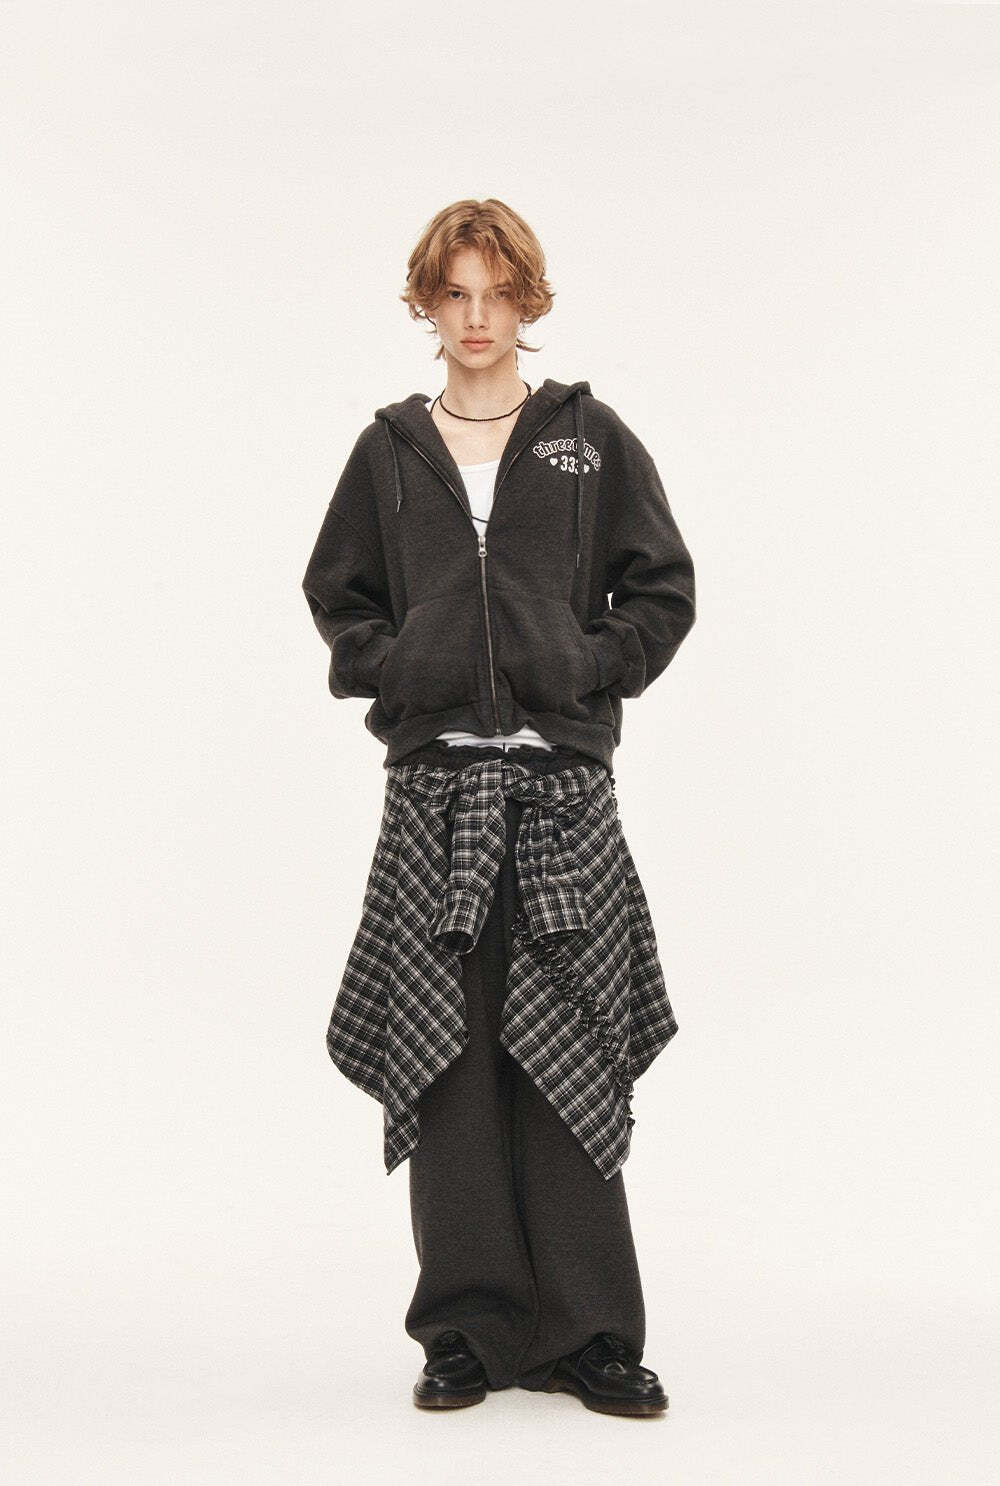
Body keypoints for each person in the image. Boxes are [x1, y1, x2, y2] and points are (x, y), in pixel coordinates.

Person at [301, 198, 696, 1416]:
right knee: (449, 1061)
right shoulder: (387, 452)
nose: (477, 317)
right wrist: (399, 670)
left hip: (560, 788)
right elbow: (339, 596)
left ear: (528, 300)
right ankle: (464, 1331)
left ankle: (591, 1334)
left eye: (497, 293)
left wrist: (587, 665)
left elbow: (662, 588)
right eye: (455, 294)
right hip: (434, 793)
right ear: (427, 304)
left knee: (568, 1042)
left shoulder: (589, 439)